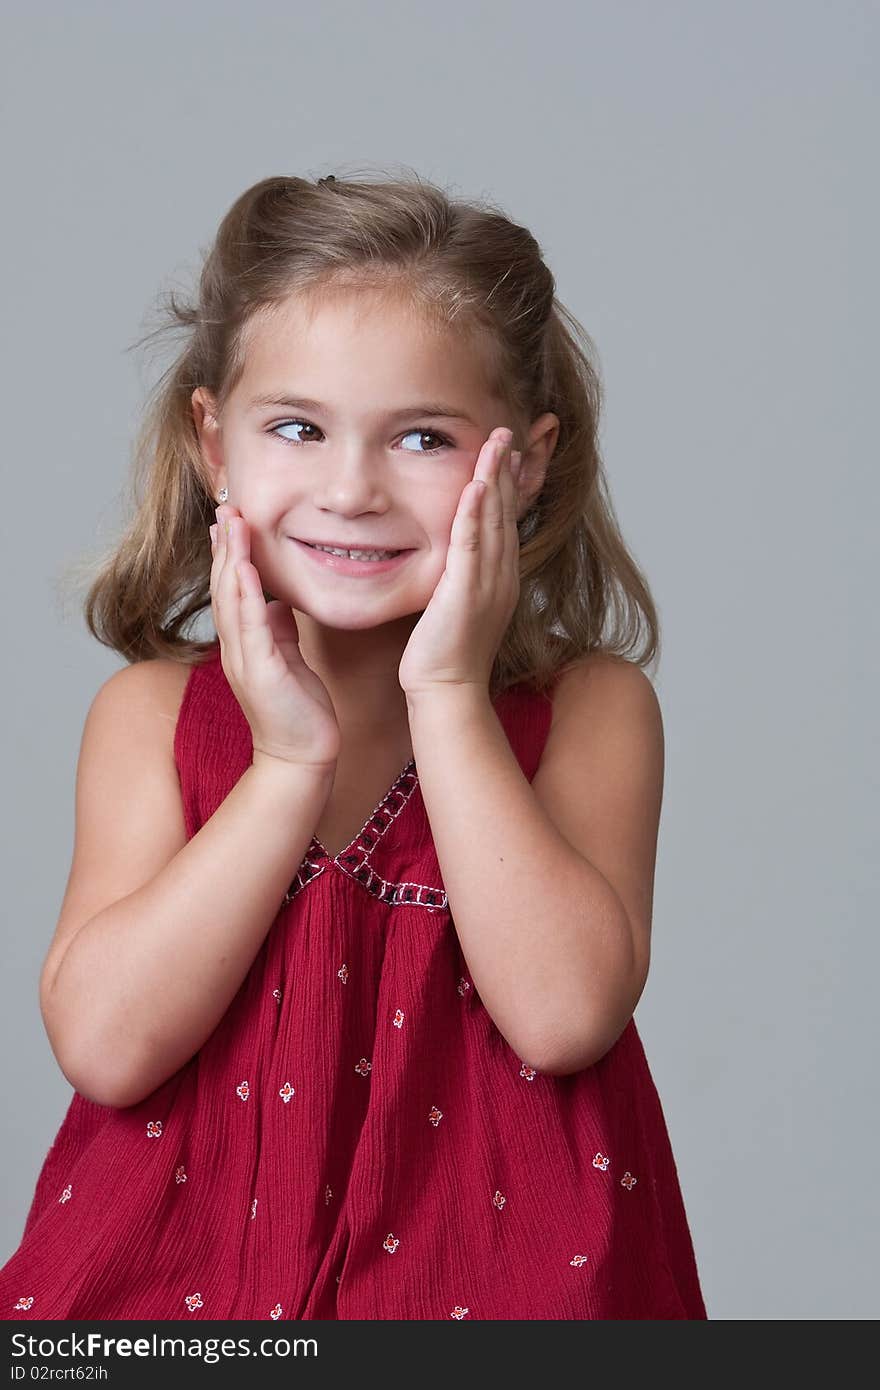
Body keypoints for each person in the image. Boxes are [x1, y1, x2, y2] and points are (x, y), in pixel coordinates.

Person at [0, 171, 707, 1321]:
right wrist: (284, 767)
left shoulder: (589, 710)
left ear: (521, 464)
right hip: (185, 1305)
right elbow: (106, 1047)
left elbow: (565, 1012)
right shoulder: (151, 717)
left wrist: (448, 692)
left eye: (421, 436)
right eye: (295, 427)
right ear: (212, 443)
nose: (349, 488)